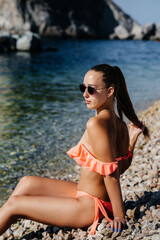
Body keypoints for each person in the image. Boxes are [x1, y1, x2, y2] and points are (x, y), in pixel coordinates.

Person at [0, 64, 149, 236]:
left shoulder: (96, 124)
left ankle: (9, 216)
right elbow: (120, 166)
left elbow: (111, 174)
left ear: (109, 92)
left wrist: (119, 215)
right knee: (27, 182)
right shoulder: (121, 125)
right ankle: (6, 221)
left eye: (91, 90)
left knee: (15, 204)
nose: (85, 94)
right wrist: (132, 140)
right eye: (82, 88)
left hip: (89, 207)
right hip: (88, 194)